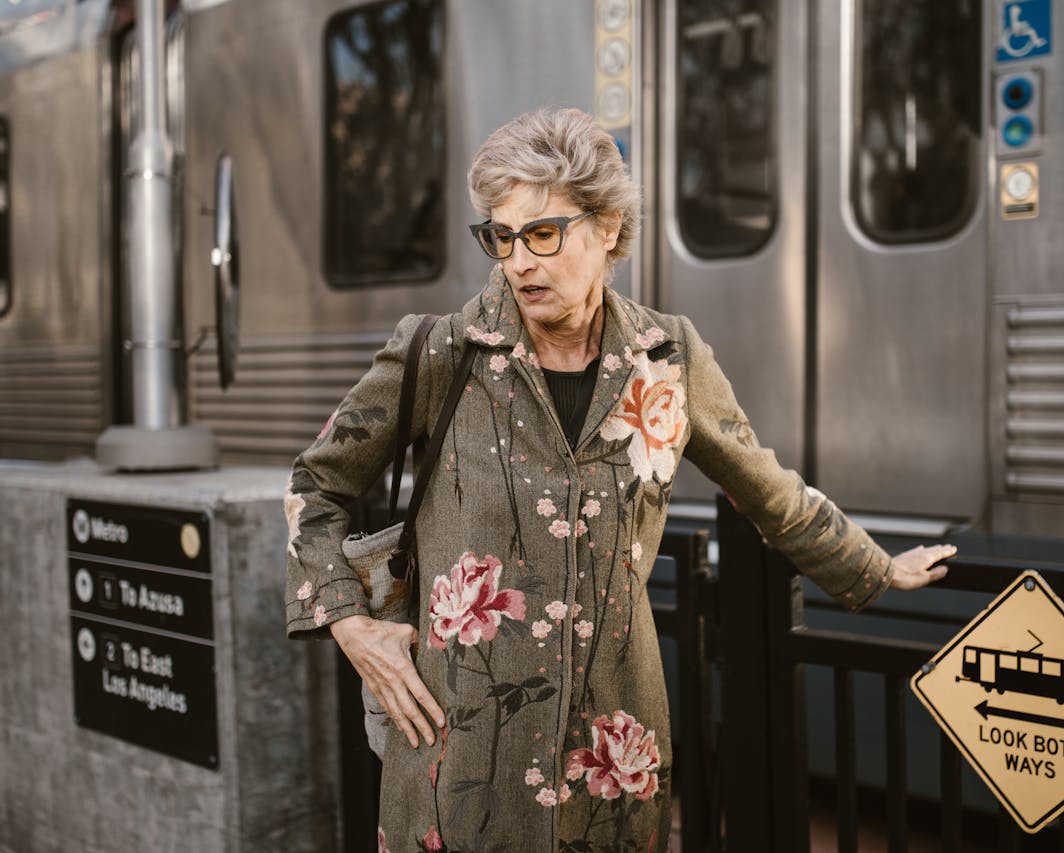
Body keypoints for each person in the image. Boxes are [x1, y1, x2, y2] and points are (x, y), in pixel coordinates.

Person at [284, 107, 953, 853]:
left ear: (607, 228)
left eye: (543, 233)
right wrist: (352, 625)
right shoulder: (442, 353)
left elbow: (766, 488)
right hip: (461, 758)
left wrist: (876, 566)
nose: (518, 261)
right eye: (501, 236)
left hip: (613, 760)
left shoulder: (669, 359)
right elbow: (316, 485)